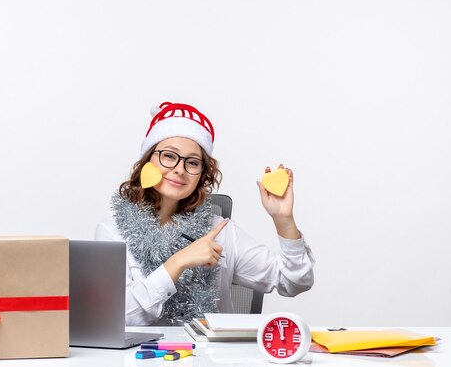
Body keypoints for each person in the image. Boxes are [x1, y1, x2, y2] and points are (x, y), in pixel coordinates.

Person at [95, 101, 315, 326]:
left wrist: (283, 219)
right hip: (143, 358)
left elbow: (293, 282)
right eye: (169, 156)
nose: (180, 169)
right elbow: (114, 316)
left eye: (192, 162)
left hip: (209, 357)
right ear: (147, 160)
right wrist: (178, 262)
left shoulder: (219, 230)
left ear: (202, 175)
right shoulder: (112, 231)